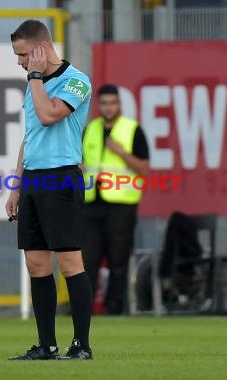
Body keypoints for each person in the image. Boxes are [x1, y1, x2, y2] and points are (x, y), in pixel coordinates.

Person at [5, 19, 93, 360]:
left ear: (42, 49)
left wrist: (36, 77)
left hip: (61, 178)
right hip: (34, 181)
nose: (19, 62)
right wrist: (16, 186)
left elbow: (48, 116)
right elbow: (31, 138)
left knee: (70, 263)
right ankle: (46, 345)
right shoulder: (34, 84)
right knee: (37, 265)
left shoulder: (75, 80)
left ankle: (82, 345)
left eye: (23, 54)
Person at [81, 84, 150, 315]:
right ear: (98, 105)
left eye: (113, 103)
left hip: (121, 204)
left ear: (119, 104)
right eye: (104, 103)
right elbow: (83, 162)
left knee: (117, 260)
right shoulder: (90, 129)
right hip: (92, 202)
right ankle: (84, 309)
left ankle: (114, 308)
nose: (109, 108)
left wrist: (121, 152)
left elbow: (144, 169)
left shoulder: (132, 130)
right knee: (87, 258)